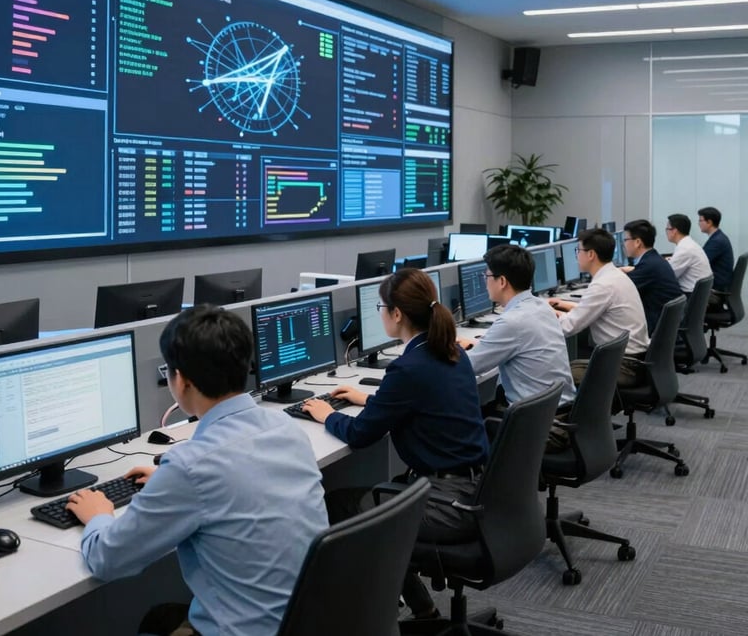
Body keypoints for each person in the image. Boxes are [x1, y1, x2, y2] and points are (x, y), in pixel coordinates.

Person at [66, 306, 328, 636]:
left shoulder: (191, 466)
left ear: (182, 381)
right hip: (308, 620)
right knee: (163, 617)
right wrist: (169, 483)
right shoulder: (284, 427)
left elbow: (107, 559)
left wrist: (99, 515)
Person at [303, 268, 489, 621]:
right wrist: (367, 400)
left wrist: (327, 414)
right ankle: (422, 610)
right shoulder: (450, 352)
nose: (380, 314)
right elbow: (414, 401)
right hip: (472, 488)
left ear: (397, 314)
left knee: (339, 505)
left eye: (380, 308)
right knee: (366, 500)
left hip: (447, 504)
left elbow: (360, 435)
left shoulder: (408, 369)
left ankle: (370, 617)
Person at [464, 244, 575, 410]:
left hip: (536, 420)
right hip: (559, 408)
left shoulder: (512, 322)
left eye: (486, 276)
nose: (485, 281)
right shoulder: (542, 307)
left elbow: (470, 366)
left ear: (502, 281)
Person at [548, 228, 649, 390]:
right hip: (632, 358)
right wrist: (557, 312)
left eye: (578, 250)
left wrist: (541, 316)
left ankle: (568, 414)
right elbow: (586, 313)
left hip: (624, 366)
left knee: (554, 375)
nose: (576, 255)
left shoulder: (603, 285)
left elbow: (567, 328)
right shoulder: (614, 276)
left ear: (591, 254)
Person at [621, 219, 682, 333]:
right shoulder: (654, 259)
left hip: (655, 327)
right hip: (667, 325)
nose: (623, 244)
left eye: (625, 240)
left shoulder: (648, 266)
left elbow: (620, 290)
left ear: (638, 242)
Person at [665, 213, 712, 293]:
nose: (666, 232)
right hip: (698, 294)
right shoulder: (688, 243)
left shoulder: (685, 249)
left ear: (674, 231)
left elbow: (668, 275)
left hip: (690, 295)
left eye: (667, 229)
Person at [698, 206, 734, 299]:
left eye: (701, 220)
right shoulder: (718, 237)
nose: (699, 224)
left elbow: (701, 262)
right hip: (721, 281)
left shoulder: (717, 241)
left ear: (709, 222)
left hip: (717, 286)